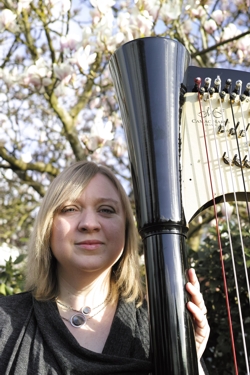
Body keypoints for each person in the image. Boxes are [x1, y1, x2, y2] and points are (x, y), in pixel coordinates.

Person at [0, 160, 210, 374]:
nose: (89, 224)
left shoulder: (161, 328)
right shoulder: (4, 321)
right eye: (70, 209)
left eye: (106, 210)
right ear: (48, 226)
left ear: (126, 229)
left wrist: (185, 359)